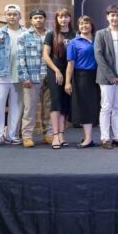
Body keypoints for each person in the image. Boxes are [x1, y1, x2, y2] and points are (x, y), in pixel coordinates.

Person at [0, 4, 26, 147]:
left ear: (20, 16)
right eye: (9, 14)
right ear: (5, 16)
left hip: (20, 76)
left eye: (15, 14)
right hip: (0, 76)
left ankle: (12, 136)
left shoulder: (26, 33)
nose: (12, 17)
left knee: (17, 107)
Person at [94, 4, 118, 149]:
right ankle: (105, 138)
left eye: (117, 15)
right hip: (106, 78)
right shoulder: (100, 34)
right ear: (107, 17)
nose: (115, 18)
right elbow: (98, 55)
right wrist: (110, 75)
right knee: (106, 107)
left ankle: (117, 137)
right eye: (112, 15)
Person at [65, 16, 101, 148]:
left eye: (86, 23)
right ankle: (88, 138)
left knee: (95, 107)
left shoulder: (98, 39)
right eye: (81, 24)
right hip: (82, 77)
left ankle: (90, 137)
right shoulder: (73, 42)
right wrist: (67, 82)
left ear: (91, 25)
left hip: (98, 76)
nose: (84, 26)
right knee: (85, 107)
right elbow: (70, 64)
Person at [17, 9, 50, 148]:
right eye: (35, 18)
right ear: (31, 20)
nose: (38, 20)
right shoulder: (24, 36)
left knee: (48, 108)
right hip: (32, 77)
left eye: (41, 17)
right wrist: (24, 77)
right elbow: (20, 58)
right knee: (29, 108)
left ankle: (48, 134)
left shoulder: (51, 34)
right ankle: (27, 136)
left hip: (49, 76)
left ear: (45, 19)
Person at [43, 8, 75, 149]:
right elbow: (45, 55)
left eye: (66, 17)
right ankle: (55, 135)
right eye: (60, 17)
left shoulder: (75, 35)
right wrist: (56, 70)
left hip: (70, 72)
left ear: (70, 18)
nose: (63, 19)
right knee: (56, 103)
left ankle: (62, 135)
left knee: (65, 104)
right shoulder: (51, 34)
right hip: (55, 72)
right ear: (57, 19)